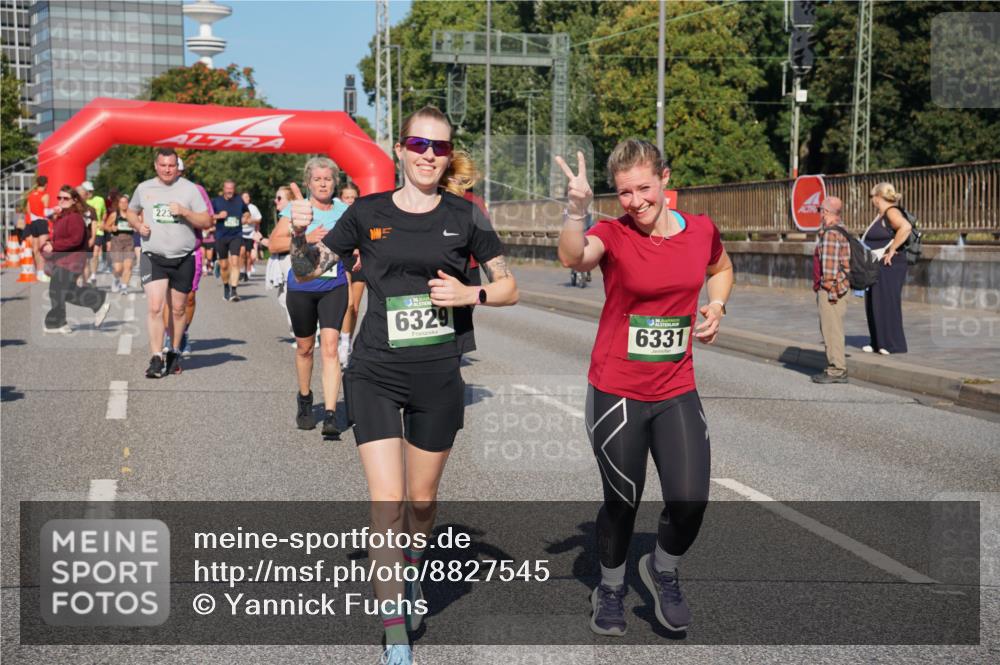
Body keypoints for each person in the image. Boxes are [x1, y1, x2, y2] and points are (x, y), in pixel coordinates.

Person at [289, 106, 518, 665]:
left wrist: (474, 295)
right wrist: (299, 237)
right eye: (419, 144)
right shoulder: (365, 212)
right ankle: (394, 628)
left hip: (438, 375)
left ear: (448, 156)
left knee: (421, 502)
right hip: (374, 371)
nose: (428, 155)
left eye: (439, 148)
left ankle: (412, 573)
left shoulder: (468, 216)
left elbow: (509, 285)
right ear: (399, 148)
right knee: (387, 502)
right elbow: (311, 268)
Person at [556, 139, 732, 637]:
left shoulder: (700, 231)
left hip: (676, 387)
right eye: (624, 192)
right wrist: (575, 211)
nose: (634, 201)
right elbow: (575, 256)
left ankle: (662, 568)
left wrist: (717, 307)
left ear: (665, 180)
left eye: (643, 188)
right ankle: (610, 586)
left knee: (691, 500)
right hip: (618, 391)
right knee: (622, 501)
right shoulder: (612, 233)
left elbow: (720, 269)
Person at [269, 158, 350, 436]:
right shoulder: (296, 208)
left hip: (334, 286)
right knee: (305, 349)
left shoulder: (344, 210)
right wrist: (305, 235)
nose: (323, 183)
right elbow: (274, 242)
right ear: (308, 183)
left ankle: (330, 414)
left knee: (330, 347)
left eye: (328, 179)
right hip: (302, 289)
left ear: (335, 181)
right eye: (318, 179)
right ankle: (305, 399)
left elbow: (357, 241)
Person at [127, 147, 212, 378]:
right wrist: (137, 225)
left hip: (183, 257)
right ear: (156, 166)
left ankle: (173, 351)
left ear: (178, 167)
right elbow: (131, 211)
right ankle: (156, 357)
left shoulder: (191, 190)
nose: (167, 169)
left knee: (178, 309)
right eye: (163, 165)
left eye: (171, 165)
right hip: (153, 256)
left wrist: (184, 211)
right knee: (155, 307)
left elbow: (206, 220)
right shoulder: (144, 188)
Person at [41, 186, 111, 333]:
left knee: (59, 292)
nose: (61, 200)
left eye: (65, 198)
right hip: (64, 260)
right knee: (62, 292)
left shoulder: (74, 217)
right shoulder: (64, 215)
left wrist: (54, 246)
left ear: (74, 200)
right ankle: (58, 323)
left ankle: (98, 300)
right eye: (59, 198)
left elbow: (76, 239)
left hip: (70, 260)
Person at [862, 182, 912, 355]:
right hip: (877, 264)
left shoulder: (892, 211)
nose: (871, 200)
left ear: (877, 197)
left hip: (890, 265)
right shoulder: (880, 214)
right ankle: (877, 341)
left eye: (871, 197)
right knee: (874, 302)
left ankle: (892, 344)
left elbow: (905, 227)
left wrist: (892, 250)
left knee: (887, 302)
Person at [811, 196, 851, 384]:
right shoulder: (843, 230)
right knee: (833, 328)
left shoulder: (830, 234)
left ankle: (836, 370)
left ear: (825, 212)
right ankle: (835, 367)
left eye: (820, 209)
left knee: (831, 329)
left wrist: (830, 293)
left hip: (832, 291)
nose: (819, 213)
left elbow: (829, 269)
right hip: (841, 288)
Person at [211, 179, 250, 302]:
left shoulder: (239, 200)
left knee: (235, 262)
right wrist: (218, 216)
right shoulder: (216, 201)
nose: (229, 191)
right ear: (224, 189)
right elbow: (208, 216)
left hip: (236, 235)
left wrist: (246, 217)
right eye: (227, 188)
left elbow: (247, 211)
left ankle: (234, 291)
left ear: (234, 189)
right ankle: (226, 286)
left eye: (231, 188)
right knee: (224, 266)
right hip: (221, 235)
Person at [263, 186, 294, 339]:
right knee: (283, 298)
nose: (276, 201)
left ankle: (306, 333)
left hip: (290, 260)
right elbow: (273, 244)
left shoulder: (293, 218)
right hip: (281, 260)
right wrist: (262, 240)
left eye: (280, 198)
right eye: (276, 198)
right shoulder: (283, 218)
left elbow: (285, 243)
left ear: (291, 201)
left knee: (291, 299)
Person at [335, 181, 360, 365]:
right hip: (343, 260)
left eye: (353, 198)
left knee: (356, 308)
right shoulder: (337, 214)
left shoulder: (364, 213)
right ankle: (343, 343)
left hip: (361, 261)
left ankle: (348, 341)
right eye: (347, 197)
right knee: (348, 304)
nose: (350, 201)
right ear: (340, 198)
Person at [104, 193, 135, 294]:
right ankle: (116, 280)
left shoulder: (132, 215)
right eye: (121, 202)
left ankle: (124, 287)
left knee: (128, 266)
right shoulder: (114, 215)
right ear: (118, 204)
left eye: (125, 202)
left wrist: (135, 226)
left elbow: (139, 225)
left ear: (128, 204)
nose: (123, 204)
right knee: (118, 268)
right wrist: (111, 228)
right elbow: (104, 226)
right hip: (117, 240)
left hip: (129, 241)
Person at [26, 175, 51, 282]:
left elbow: (28, 209)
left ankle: (38, 272)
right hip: (41, 222)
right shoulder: (45, 195)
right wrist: (55, 210)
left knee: (35, 249)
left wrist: (33, 218)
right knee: (43, 248)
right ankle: (42, 274)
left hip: (33, 222)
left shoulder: (31, 195)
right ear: (46, 184)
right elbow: (45, 212)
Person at [81, 181, 107, 280]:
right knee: (87, 257)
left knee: (95, 253)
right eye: (88, 191)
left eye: (91, 191)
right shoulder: (82, 202)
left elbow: (104, 212)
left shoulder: (100, 200)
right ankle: (85, 276)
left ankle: (93, 275)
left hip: (98, 231)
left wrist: (103, 221)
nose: (90, 193)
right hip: (86, 232)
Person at [240, 191, 262, 282]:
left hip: (250, 234)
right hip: (239, 233)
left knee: (248, 255)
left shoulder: (253, 208)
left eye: (247, 197)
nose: (246, 198)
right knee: (242, 253)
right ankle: (242, 271)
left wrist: (252, 221)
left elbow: (259, 219)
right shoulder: (238, 207)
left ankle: (247, 272)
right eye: (244, 197)